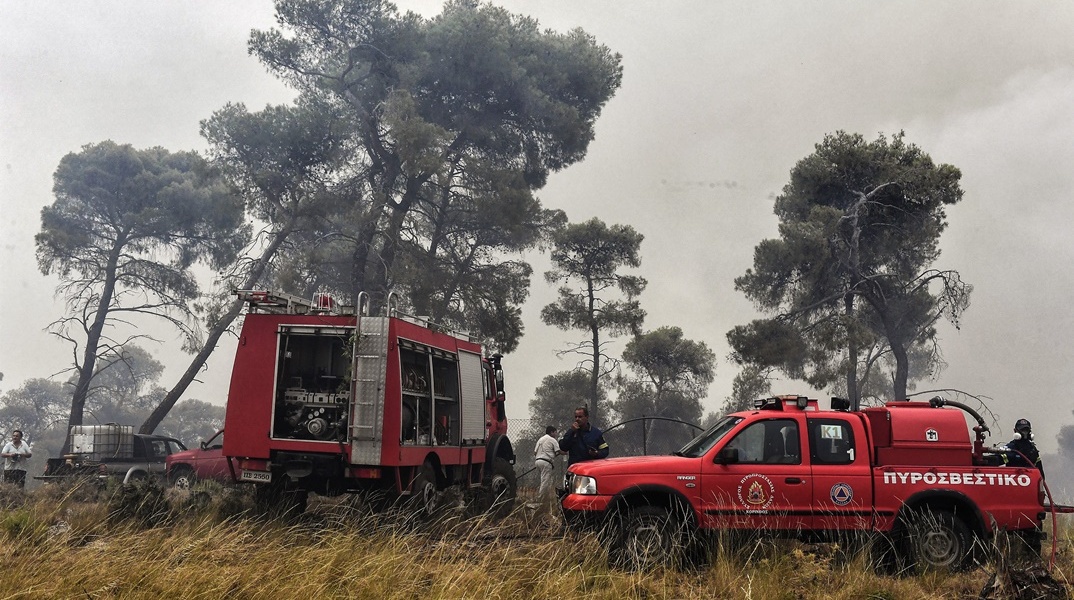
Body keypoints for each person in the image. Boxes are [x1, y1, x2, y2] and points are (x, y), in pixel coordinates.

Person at [530, 425, 560, 512]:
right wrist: (561, 453)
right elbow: (557, 451)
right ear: (552, 432)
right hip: (546, 462)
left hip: (538, 461)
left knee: (544, 480)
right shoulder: (552, 440)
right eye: (555, 432)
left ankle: (545, 498)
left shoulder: (541, 439)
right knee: (545, 481)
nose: (556, 434)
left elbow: (535, 452)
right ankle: (540, 500)